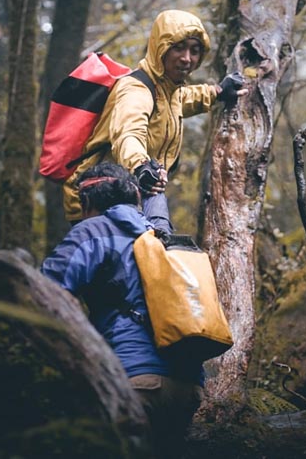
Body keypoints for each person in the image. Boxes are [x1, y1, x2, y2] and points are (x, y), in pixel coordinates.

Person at [43, 162, 203, 458]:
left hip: (134, 381)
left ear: (86, 202)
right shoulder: (159, 234)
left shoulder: (93, 231)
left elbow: (45, 292)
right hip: (189, 386)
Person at [62, 9, 246, 232]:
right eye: (178, 47)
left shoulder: (168, 91)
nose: (187, 58)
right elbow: (128, 133)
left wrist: (217, 91)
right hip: (96, 199)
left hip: (127, 195)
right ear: (161, 47)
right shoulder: (136, 90)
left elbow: (183, 99)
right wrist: (141, 165)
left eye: (194, 51)